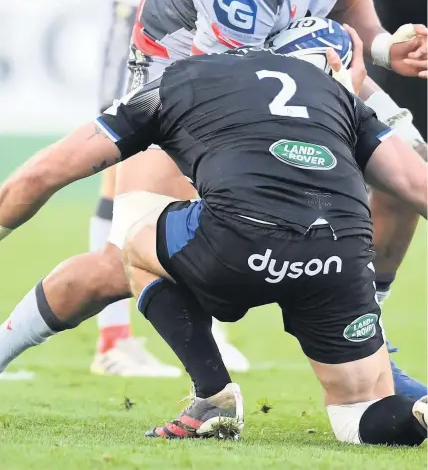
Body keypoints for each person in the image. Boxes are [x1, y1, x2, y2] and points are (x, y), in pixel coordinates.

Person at [110, 0, 426, 397]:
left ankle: (367, 338)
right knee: (131, 243)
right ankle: (196, 382)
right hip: (183, 72)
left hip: (285, 51)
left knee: (408, 170)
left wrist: (381, 48)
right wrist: (345, 102)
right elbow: (251, 93)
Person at [0, 32, 426, 446]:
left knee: (133, 242)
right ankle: (413, 413)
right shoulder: (339, 96)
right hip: (339, 254)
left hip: (240, 240)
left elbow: (45, 172)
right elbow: (415, 183)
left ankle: (213, 396)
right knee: (359, 411)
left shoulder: (177, 79)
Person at [91, 0, 274, 375]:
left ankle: (206, 327)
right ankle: (114, 340)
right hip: (146, 6)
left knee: (212, 158)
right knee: (120, 158)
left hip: (226, 16)